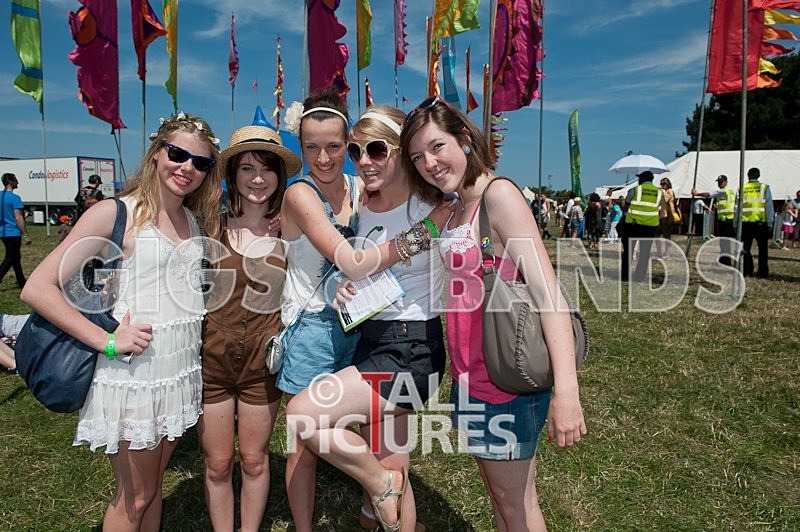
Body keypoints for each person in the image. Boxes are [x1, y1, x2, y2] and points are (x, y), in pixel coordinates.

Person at [21, 112, 222, 530]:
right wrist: (105, 340)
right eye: (178, 154)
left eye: (200, 162)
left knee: (151, 491)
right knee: (135, 497)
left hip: (178, 374)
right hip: (134, 376)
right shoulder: (117, 212)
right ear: (155, 153)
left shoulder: (194, 220)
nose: (187, 168)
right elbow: (38, 288)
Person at [400, 95, 586, 530]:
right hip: (470, 379)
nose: (428, 162)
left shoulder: (497, 196)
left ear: (464, 139)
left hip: (505, 383)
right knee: (503, 502)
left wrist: (567, 391)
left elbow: (548, 292)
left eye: (436, 146)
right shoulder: (453, 207)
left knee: (516, 507)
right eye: (417, 156)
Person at [277, 89, 449, 532]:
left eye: (375, 149)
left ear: (401, 154)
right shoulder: (367, 207)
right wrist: (346, 286)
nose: (363, 160)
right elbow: (357, 264)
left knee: (302, 415)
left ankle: (377, 484)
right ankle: (385, 492)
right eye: (358, 150)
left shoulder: (429, 206)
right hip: (374, 338)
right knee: (395, 463)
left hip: (410, 346)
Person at [197, 125, 300, 532]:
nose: (258, 178)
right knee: (218, 463)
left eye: (267, 169)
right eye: (247, 168)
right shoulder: (208, 227)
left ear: (279, 176)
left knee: (255, 460)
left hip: (262, 367)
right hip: (212, 365)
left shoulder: (292, 233)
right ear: (232, 175)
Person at [620, 170, 663, 282]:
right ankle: (639, 276)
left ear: (643, 179)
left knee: (628, 251)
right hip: (650, 225)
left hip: (633, 224)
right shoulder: (659, 193)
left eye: (640, 178)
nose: (638, 180)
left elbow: (627, 202)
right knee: (645, 252)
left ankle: (625, 276)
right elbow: (657, 205)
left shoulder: (635, 190)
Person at [692, 175, 737, 265]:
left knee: (724, 242)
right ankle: (723, 260)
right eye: (719, 182)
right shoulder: (730, 191)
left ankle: (725, 261)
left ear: (726, 182)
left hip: (726, 219)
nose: (720, 184)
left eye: (721, 182)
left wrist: (696, 194)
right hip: (728, 218)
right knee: (724, 241)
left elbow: (708, 194)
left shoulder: (723, 192)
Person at [738, 167, 774, 278]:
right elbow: (769, 206)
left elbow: (737, 208)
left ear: (748, 175)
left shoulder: (742, 188)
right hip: (760, 222)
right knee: (763, 249)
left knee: (745, 249)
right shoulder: (764, 188)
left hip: (746, 223)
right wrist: (770, 222)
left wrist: (736, 223)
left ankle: (747, 269)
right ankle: (762, 272)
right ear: (758, 175)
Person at [0, 173, 31, 288]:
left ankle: (21, 281)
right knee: (10, 258)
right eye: (16, 180)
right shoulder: (15, 198)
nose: (18, 182)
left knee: (15, 258)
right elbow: (18, 218)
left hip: (2, 232)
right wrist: (26, 235)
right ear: (10, 181)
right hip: (13, 232)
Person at [657, 177, 677, 259]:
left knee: (666, 236)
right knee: (658, 235)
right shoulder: (665, 192)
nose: (662, 185)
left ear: (667, 184)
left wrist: (660, 192)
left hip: (667, 216)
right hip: (662, 215)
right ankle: (662, 252)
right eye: (661, 184)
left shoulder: (669, 191)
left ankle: (667, 253)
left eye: (663, 184)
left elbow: (665, 199)